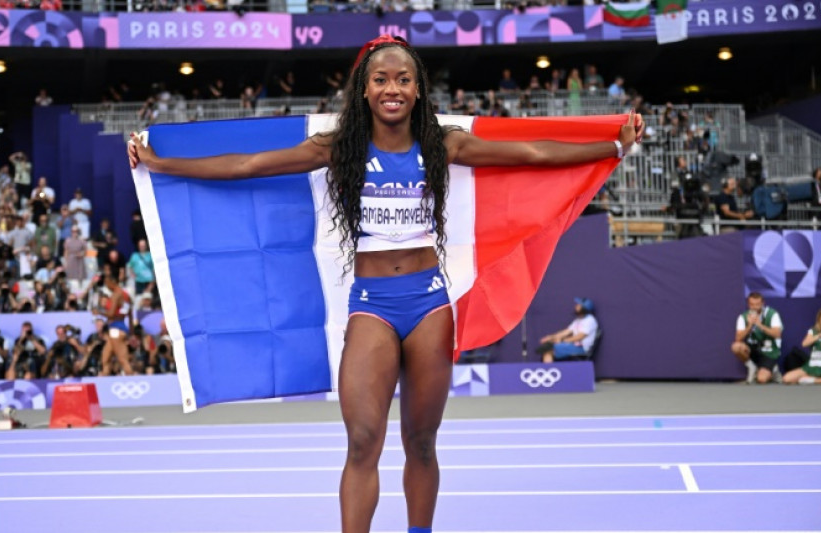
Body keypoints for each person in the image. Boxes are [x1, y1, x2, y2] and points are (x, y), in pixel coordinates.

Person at [127, 35, 641, 533]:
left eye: (402, 79)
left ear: (418, 89)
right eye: (380, 79)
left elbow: (530, 154)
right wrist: (161, 164)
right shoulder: (339, 147)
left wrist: (612, 145)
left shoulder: (443, 144)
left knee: (422, 442)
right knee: (362, 441)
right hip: (372, 304)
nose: (391, 88)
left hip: (429, 304)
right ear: (364, 89)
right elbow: (248, 164)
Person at [732, 292, 783, 384]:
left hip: (769, 352)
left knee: (761, 379)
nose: (755, 307)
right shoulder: (743, 317)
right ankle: (751, 367)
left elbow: (777, 334)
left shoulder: (772, 314)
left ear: (763, 303)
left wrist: (760, 325)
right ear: (748, 304)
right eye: (752, 304)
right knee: (736, 347)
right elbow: (738, 338)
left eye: (757, 304)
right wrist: (749, 326)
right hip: (752, 350)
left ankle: (773, 370)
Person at [535, 297, 599, 363]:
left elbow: (580, 337)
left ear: (584, 308)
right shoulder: (578, 320)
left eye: (578, 305)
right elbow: (566, 332)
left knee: (548, 349)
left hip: (582, 348)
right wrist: (551, 337)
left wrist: (562, 340)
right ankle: (549, 368)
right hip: (573, 345)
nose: (576, 306)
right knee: (547, 346)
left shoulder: (590, 320)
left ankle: (549, 368)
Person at [782, 306, 821, 385]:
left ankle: (813, 380)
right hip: (814, 366)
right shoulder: (813, 331)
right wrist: (818, 336)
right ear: (819, 321)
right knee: (787, 378)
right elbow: (804, 344)